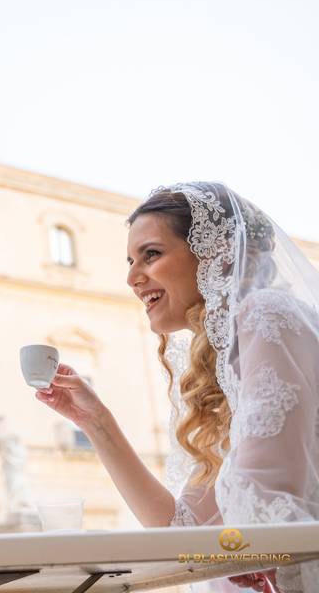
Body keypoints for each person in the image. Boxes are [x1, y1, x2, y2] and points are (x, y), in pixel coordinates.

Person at [36, 182, 318, 592]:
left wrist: (240, 546)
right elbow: (179, 529)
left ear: (216, 254)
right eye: (131, 260)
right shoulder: (224, 362)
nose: (133, 277)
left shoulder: (265, 315)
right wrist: (95, 420)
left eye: (151, 254)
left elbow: (264, 506)